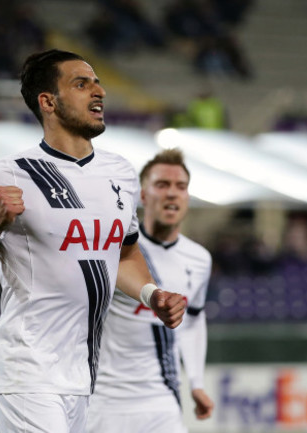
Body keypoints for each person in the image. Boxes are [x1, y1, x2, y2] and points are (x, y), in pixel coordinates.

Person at [0, 49, 186, 433]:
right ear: (48, 102)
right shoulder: (9, 174)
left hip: (81, 376)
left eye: (97, 81)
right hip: (25, 372)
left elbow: (123, 254)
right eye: (81, 83)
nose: (99, 91)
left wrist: (151, 295)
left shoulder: (120, 173)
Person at [87, 148, 214, 433]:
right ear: (143, 196)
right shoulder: (114, 249)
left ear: (187, 198)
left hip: (161, 401)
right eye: (162, 185)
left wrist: (196, 383)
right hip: (104, 401)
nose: (172, 193)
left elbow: (193, 320)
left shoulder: (199, 259)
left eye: (180, 187)